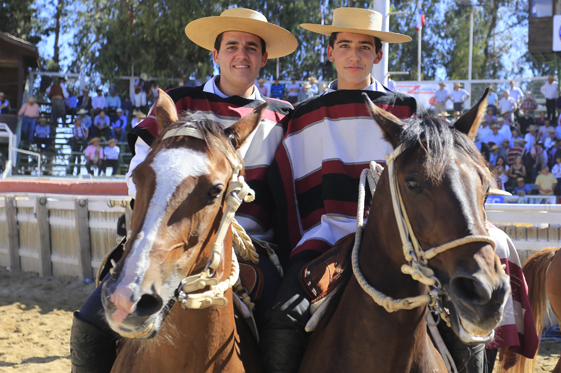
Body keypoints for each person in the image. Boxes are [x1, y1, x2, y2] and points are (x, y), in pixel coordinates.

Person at [70, 8, 298, 372]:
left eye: (252, 47)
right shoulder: (180, 102)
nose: (242, 54)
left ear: (264, 57)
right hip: (168, 237)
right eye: (232, 46)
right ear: (216, 54)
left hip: (252, 248)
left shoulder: (284, 115)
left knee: (286, 326)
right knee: (89, 322)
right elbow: (141, 168)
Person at [261, 8, 444, 372]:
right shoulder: (303, 116)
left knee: (462, 320)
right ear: (330, 53)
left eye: (364, 47)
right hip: (324, 241)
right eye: (344, 45)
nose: (354, 55)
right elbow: (285, 190)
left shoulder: (408, 110)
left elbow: (437, 179)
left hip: (401, 246)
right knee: (283, 316)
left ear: (378, 55)